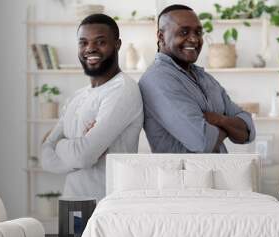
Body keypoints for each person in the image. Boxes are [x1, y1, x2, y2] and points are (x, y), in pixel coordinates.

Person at [41, 14, 143, 203]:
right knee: (71, 234)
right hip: (71, 202)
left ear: (117, 44)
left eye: (100, 42)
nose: (90, 49)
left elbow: (82, 156)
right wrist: (79, 149)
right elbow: (45, 158)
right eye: (83, 43)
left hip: (107, 205)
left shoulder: (123, 91)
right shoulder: (77, 96)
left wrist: (58, 144)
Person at [139, 5, 255, 153]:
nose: (194, 39)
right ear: (161, 37)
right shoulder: (157, 80)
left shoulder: (205, 78)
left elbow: (248, 129)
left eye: (198, 32)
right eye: (184, 32)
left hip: (220, 173)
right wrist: (230, 126)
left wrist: (219, 120)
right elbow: (203, 141)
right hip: (184, 175)